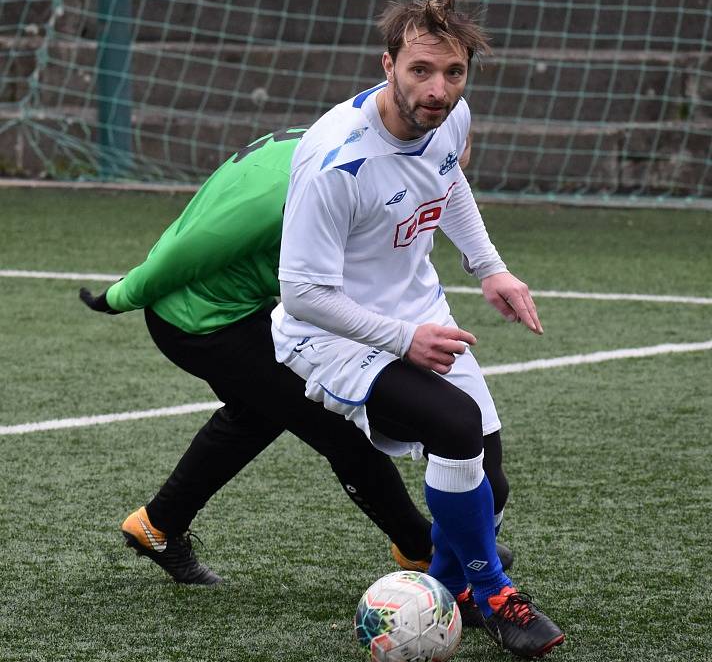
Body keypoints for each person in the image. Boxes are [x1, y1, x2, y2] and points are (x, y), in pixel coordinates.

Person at [78, 126, 513, 592]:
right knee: (334, 421)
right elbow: (184, 251)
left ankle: (156, 525)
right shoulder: (299, 186)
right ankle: (419, 547)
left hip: (252, 307)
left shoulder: (355, 142)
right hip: (202, 320)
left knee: (259, 414)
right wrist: (118, 296)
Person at [272, 0, 564, 658]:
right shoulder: (334, 160)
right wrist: (403, 339)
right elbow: (302, 292)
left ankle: (436, 591)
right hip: (333, 335)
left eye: (453, 73)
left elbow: (448, 178)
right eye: (420, 71)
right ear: (387, 66)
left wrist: (488, 266)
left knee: (490, 487)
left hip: (417, 313)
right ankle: (493, 595)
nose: (437, 89)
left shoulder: (449, 118)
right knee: (453, 425)